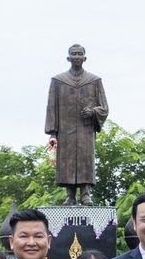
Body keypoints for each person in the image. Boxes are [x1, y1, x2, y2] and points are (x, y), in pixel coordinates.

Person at [44, 43, 109, 205]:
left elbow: (104, 107)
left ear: (85, 58)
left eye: (80, 54)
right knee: (66, 161)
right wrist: (52, 132)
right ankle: (70, 195)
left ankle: (85, 194)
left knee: (85, 160)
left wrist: (93, 111)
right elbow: (51, 108)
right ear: (68, 58)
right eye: (74, 54)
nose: (77, 56)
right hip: (64, 131)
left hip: (85, 130)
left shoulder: (94, 81)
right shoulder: (58, 81)